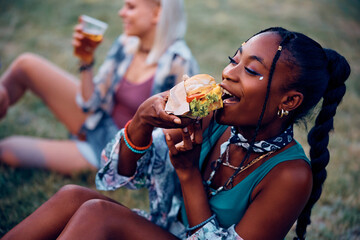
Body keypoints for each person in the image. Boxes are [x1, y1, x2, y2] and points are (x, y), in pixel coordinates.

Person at [1, 27, 350, 240]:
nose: (228, 73)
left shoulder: (290, 174)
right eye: (235, 59)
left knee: (97, 214)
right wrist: (141, 122)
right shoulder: (212, 118)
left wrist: (187, 174)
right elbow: (118, 177)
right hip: (165, 232)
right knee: (73, 197)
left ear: (289, 100)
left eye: (252, 71)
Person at [0, 0, 198, 174]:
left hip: (114, 151)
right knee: (25, 65)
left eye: (130, 6)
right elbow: (89, 104)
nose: (121, 12)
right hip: (97, 121)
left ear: (156, 13)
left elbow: (181, 130)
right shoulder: (126, 44)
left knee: (7, 150)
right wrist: (86, 62)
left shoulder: (179, 62)